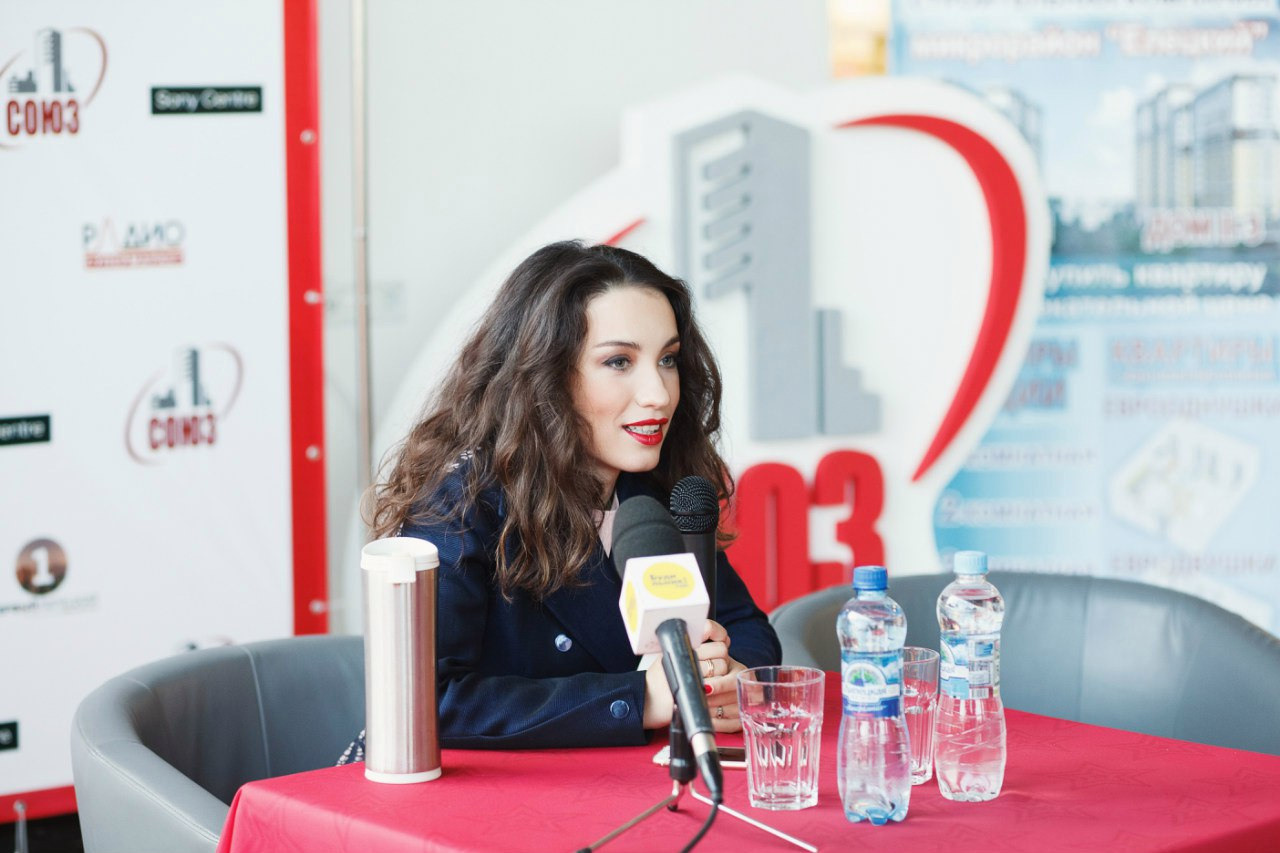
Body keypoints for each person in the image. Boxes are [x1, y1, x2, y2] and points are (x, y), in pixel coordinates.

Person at [341, 240, 780, 759]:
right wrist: (637, 700)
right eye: (619, 361)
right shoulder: (460, 500)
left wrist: (729, 679)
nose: (658, 394)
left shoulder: (657, 488)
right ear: (543, 375)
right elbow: (431, 702)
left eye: (667, 360)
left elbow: (745, 627)